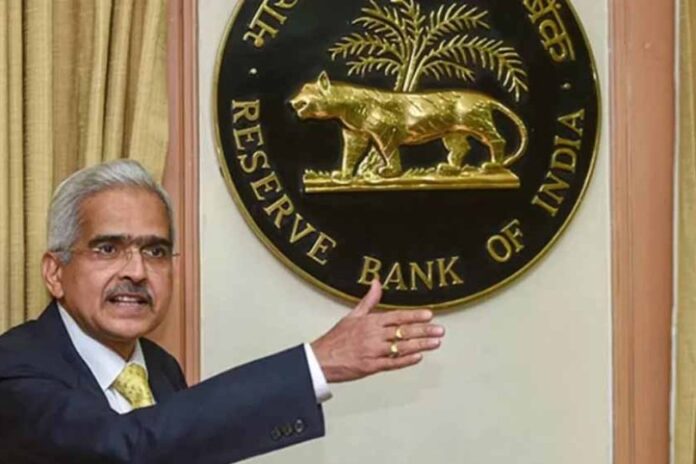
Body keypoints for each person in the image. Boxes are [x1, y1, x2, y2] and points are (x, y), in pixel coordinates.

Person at [0, 160, 445, 463]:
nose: (136, 271)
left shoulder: (160, 368)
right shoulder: (16, 366)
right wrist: (315, 363)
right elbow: (126, 447)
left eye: (156, 251)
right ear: (55, 272)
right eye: (108, 248)